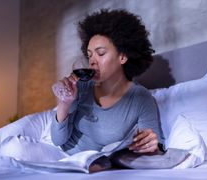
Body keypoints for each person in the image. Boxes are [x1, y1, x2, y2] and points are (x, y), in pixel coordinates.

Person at [51, 9, 164, 159]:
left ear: (123, 56)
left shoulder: (140, 98)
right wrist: (64, 103)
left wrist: (152, 146)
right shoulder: (81, 87)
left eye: (101, 53)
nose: (92, 60)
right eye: (89, 54)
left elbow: (155, 150)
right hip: (63, 157)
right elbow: (57, 140)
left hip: (98, 166)